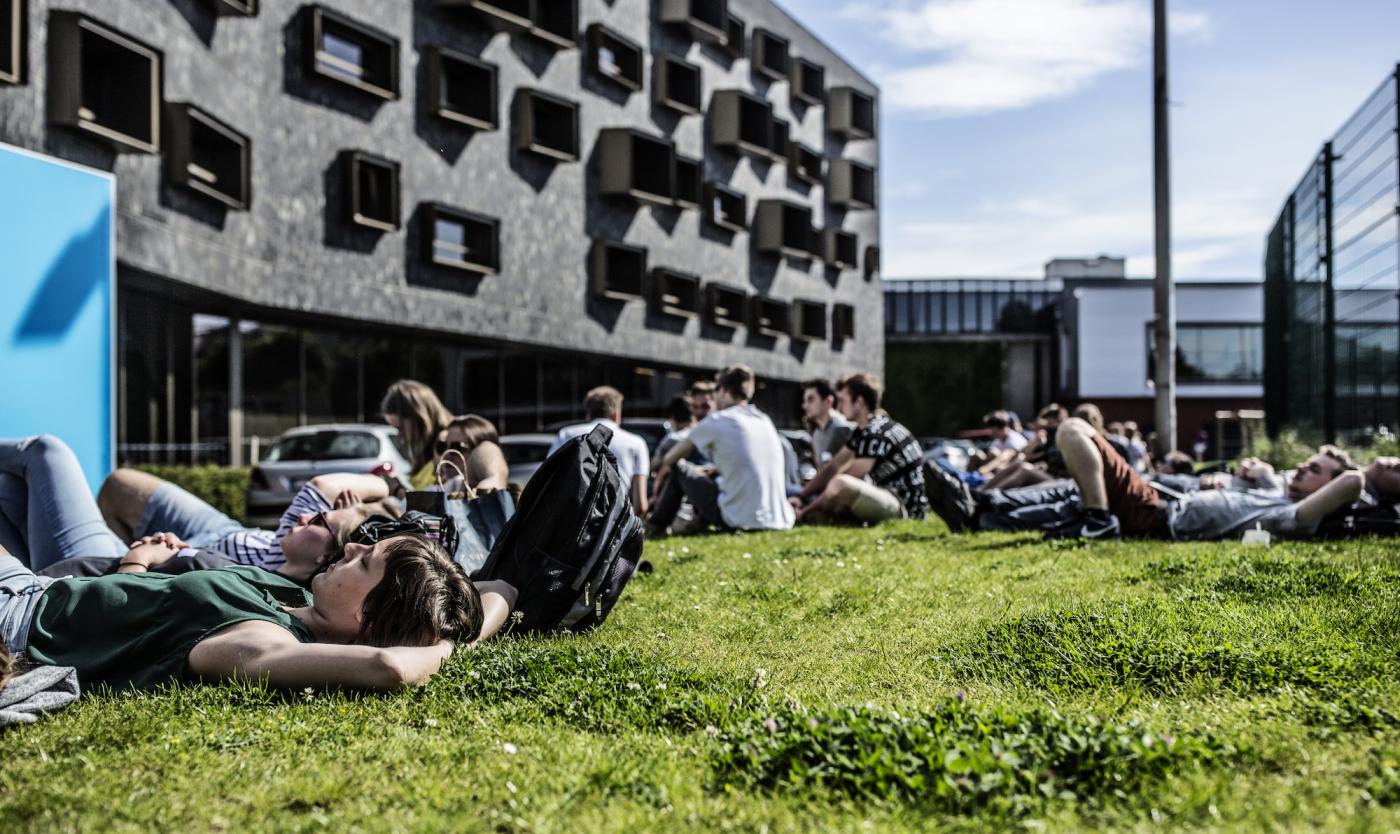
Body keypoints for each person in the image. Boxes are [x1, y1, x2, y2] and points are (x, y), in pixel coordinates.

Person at [0, 531, 515, 692]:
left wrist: (440, 645)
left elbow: (390, 668)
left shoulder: (262, 644)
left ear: (370, 621)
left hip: (15, 620)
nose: (354, 546)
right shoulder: (299, 598)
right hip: (40, 586)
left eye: (367, 563)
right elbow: (500, 588)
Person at [1049, 417, 1363, 540]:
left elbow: (1353, 482)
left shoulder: (1293, 516)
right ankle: (1096, 518)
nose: (1302, 468)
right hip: (1160, 501)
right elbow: (1263, 475)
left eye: (1315, 470)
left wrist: (1368, 469)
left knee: (1073, 429)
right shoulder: (1276, 490)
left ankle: (1099, 520)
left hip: (1154, 514)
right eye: (1307, 462)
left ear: (1328, 488)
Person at [98, 463, 393, 577]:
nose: (304, 515)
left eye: (318, 521)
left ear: (330, 557)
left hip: (194, 552)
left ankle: (114, 554)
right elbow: (375, 485)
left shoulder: (291, 561)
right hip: (221, 531)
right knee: (119, 483)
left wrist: (142, 559)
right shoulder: (289, 538)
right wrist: (364, 507)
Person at [650, 364, 794, 533]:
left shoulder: (719, 420)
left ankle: (656, 526)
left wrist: (659, 478)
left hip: (738, 518)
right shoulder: (764, 420)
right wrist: (714, 470)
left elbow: (670, 459)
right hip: (778, 519)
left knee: (679, 468)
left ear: (723, 391)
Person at [793, 373, 927, 523]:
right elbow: (833, 466)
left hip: (904, 507)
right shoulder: (864, 431)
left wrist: (806, 509)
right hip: (888, 497)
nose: (839, 407)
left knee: (840, 484)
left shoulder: (875, 432)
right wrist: (802, 495)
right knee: (833, 490)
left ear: (859, 402)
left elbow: (844, 480)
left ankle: (806, 515)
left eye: (843, 401)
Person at [549, 386, 650, 516]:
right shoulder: (636, 442)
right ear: (616, 414)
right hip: (614, 521)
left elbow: (551, 480)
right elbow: (641, 505)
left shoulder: (566, 434)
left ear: (588, 414)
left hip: (572, 520)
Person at [380, 380, 455, 491]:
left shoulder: (445, 442)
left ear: (419, 418)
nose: (400, 435)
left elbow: (438, 498)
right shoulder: (426, 447)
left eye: (400, 428)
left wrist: (397, 490)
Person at [801, 378, 853, 465]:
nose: (805, 406)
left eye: (811, 399)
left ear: (828, 401)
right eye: (805, 401)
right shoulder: (816, 434)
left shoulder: (844, 429)